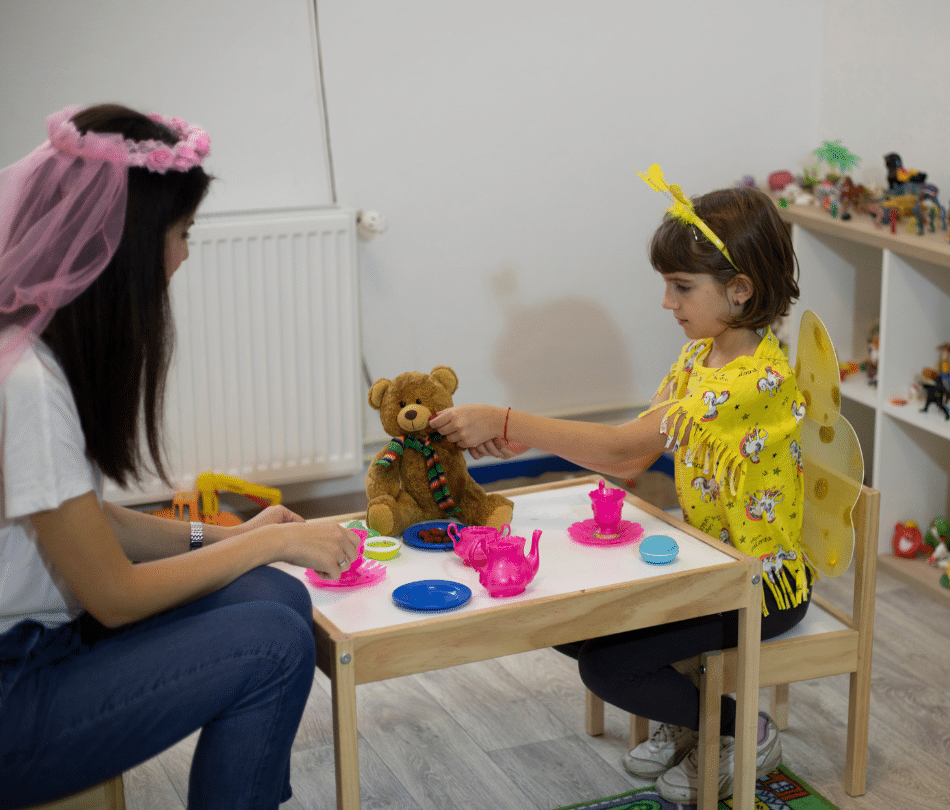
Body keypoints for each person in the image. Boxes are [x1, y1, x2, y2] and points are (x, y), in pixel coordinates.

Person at [0, 104, 360, 810]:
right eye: (182, 233)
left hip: (43, 644)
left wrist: (235, 538)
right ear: (124, 244)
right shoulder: (27, 385)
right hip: (18, 690)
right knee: (270, 642)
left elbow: (92, 521)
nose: (187, 253)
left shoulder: (33, 353)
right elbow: (115, 595)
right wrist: (276, 540)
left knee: (276, 595)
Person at [431, 175, 811, 804]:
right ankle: (692, 716)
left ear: (740, 290)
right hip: (708, 565)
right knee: (558, 613)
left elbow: (630, 452)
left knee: (606, 662)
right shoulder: (701, 358)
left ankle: (733, 729)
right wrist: (527, 437)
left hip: (758, 586)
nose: (667, 302)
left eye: (682, 287)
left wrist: (509, 421)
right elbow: (635, 454)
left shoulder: (748, 382)